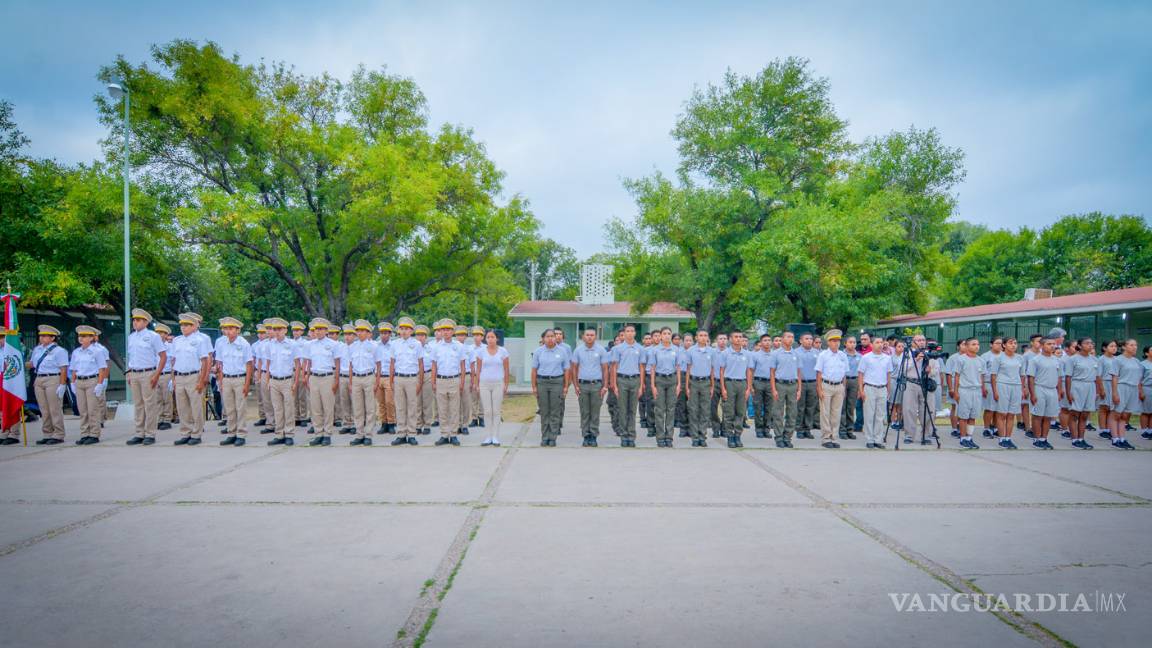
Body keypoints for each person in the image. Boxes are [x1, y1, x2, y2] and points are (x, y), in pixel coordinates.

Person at [123, 309, 168, 446]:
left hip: (148, 372)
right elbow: (131, 357)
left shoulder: (153, 336)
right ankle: (139, 433)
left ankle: (150, 433)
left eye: (138, 320)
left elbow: (163, 356)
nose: (134, 322)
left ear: (146, 322)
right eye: (134, 320)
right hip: (134, 372)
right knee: (138, 405)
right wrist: (129, 373)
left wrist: (156, 374)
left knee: (150, 404)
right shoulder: (131, 337)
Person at [169, 313, 213, 446]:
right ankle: (185, 432)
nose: (184, 327)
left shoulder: (200, 340)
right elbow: (173, 360)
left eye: (187, 325)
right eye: (182, 325)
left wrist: (202, 379)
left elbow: (205, 361)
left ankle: (196, 433)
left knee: (196, 406)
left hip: (194, 376)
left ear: (194, 326)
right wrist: (173, 379)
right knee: (182, 407)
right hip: (179, 375)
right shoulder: (177, 340)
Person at [214, 317, 253, 446]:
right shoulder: (221, 344)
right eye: (226, 329)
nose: (228, 331)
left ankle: (241, 434)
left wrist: (247, 384)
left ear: (238, 330)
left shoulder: (244, 344)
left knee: (240, 408)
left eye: (231, 328)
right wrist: (220, 381)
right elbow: (219, 364)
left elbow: (249, 365)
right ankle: (231, 433)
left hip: (240, 378)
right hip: (226, 378)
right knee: (229, 408)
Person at [28, 325, 69, 445]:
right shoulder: (37, 350)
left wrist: (62, 384)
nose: (41, 338)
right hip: (39, 379)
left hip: (53, 378)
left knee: (54, 408)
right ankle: (47, 433)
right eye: (41, 335)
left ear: (53, 338)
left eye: (45, 336)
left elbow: (63, 369)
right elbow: (32, 364)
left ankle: (58, 434)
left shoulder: (59, 351)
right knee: (44, 409)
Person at [68, 325, 109, 445]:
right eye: (80, 336)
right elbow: (74, 369)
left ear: (91, 338)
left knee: (92, 409)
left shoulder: (97, 351)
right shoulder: (76, 352)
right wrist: (72, 382)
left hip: (92, 380)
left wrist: (100, 383)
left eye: (84, 336)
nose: (81, 338)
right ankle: (84, 433)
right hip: (79, 381)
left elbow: (102, 368)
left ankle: (94, 434)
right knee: (83, 410)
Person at [263, 318, 300, 445]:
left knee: (288, 408)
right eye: (275, 329)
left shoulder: (292, 344)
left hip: (287, 380)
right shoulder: (270, 345)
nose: (277, 332)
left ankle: (289, 433)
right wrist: (267, 380)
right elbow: (268, 364)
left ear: (285, 330)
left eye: (279, 329)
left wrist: (295, 382)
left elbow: (297, 364)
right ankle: (279, 434)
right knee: (277, 408)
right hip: (274, 380)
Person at [570, 328, 609, 447]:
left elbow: (605, 369)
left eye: (592, 335)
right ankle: (586, 435)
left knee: (595, 412)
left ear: (595, 337)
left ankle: (593, 436)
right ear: (583, 337)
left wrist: (605, 386)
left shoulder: (601, 350)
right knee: (585, 412)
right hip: (583, 385)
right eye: (587, 335)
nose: (589, 337)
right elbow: (574, 368)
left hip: (597, 385)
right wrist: (576, 385)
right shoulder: (578, 350)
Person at [430, 319, 466, 446]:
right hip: (440, 380)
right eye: (443, 329)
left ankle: (454, 435)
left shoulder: (459, 347)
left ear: (453, 331)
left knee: (454, 409)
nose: (445, 332)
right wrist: (433, 382)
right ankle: (444, 434)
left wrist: (462, 382)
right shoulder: (436, 347)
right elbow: (433, 366)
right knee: (442, 409)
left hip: (454, 380)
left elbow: (462, 365)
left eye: (448, 330)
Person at [532, 329, 570, 446]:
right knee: (544, 411)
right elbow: (534, 370)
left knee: (555, 411)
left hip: (557, 382)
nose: (550, 338)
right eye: (547, 336)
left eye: (552, 336)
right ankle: (545, 437)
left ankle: (552, 437)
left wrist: (565, 386)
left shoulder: (562, 351)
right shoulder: (538, 351)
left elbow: (566, 369)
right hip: (542, 382)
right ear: (543, 338)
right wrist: (534, 386)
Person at [390, 317, 424, 446]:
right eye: (402, 329)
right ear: (399, 330)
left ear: (411, 331)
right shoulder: (395, 344)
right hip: (398, 378)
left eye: (407, 329)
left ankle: (412, 434)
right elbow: (392, 363)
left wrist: (420, 382)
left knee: (412, 407)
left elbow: (420, 364)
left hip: (411, 378)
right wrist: (391, 380)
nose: (404, 331)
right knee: (400, 407)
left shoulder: (416, 344)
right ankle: (401, 434)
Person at [609, 324, 645, 447]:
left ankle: (631, 436)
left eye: (632, 331)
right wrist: (614, 384)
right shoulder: (618, 348)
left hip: (635, 380)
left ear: (635, 333)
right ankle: (624, 436)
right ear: (624, 334)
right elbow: (614, 367)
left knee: (632, 410)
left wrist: (641, 385)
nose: (630, 333)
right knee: (623, 409)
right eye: (627, 331)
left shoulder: (640, 348)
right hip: (622, 380)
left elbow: (641, 367)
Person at [900, 334, 937, 446]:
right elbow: (903, 370)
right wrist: (915, 360)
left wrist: (930, 371)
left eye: (923, 340)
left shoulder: (930, 353)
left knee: (928, 410)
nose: (921, 342)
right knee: (909, 410)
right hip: (911, 383)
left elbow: (936, 371)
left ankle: (926, 435)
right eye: (918, 340)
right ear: (913, 342)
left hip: (926, 383)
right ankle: (909, 435)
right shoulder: (908, 353)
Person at [346, 320, 379, 447]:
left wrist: (376, 381)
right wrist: (350, 382)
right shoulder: (352, 347)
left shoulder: (373, 346)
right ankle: (359, 434)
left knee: (370, 407)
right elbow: (350, 365)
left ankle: (368, 434)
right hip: (356, 378)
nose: (359, 333)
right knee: (358, 408)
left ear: (368, 333)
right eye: (358, 331)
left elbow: (378, 364)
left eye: (362, 331)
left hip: (369, 377)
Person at [1026, 337, 1062, 449]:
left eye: (1053, 344)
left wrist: (1059, 391)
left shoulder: (1057, 360)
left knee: (1048, 416)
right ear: (1042, 346)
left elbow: (1059, 377)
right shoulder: (1035, 360)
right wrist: (1032, 394)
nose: (1052, 346)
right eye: (1049, 344)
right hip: (1039, 388)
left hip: (1052, 390)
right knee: (1038, 416)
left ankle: (1044, 438)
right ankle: (1037, 439)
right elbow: (1031, 378)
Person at [475, 330, 510, 447]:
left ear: (497, 339)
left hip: (498, 384)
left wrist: (506, 384)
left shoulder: (503, 351)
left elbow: (506, 369)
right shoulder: (481, 352)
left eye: (492, 337)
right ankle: (488, 436)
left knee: (496, 411)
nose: (490, 339)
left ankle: (495, 436)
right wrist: (477, 384)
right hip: (484, 384)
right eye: (488, 337)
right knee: (487, 411)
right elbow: (478, 369)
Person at [815, 329, 848, 449]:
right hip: (826, 385)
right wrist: (819, 389)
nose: (836, 343)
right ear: (828, 342)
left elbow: (844, 373)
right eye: (833, 341)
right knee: (825, 413)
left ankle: (834, 437)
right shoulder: (823, 355)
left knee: (836, 413)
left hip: (839, 386)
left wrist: (843, 388)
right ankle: (826, 438)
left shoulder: (843, 355)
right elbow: (819, 373)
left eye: (838, 341)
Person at [988, 337, 1024, 449]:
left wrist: (1022, 389)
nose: (1013, 345)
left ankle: (1008, 438)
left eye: (1015, 343)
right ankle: (1001, 438)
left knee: (1011, 414)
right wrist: (995, 391)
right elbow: (993, 376)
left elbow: (1022, 375)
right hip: (1002, 385)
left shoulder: (1020, 358)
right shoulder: (998, 358)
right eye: (1010, 343)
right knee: (1002, 413)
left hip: (1016, 387)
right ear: (1004, 345)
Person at [1065, 338, 1101, 449]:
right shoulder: (1073, 359)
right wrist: (1068, 392)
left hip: (1090, 386)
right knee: (1075, 413)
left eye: (1091, 343)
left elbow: (1097, 377)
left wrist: (1098, 391)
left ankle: (1081, 438)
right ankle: (1074, 439)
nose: (1090, 345)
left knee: (1085, 414)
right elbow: (1068, 377)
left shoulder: (1095, 360)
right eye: (1087, 343)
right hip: (1077, 385)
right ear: (1080, 346)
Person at [718, 330, 751, 448]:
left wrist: (748, 388)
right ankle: (730, 436)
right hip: (729, 383)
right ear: (730, 339)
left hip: (742, 384)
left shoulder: (747, 354)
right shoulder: (725, 353)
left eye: (740, 337)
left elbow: (749, 371)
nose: (738, 339)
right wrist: (723, 388)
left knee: (740, 411)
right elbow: (721, 371)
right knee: (729, 412)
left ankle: (738, 435)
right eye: (735, 337)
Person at [684, 330, 716, 447]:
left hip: (706, 382)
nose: (703, 338)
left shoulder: (712, 352)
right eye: (701, 336)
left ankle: (702, 436)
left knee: (705, 410)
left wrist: (712, 386)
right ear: (696, 337)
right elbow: (688, 369)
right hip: (694, 382)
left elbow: (712, 370)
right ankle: (695, 437)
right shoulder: (691, 351)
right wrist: (687, 386)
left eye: (705, 336)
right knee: (693, 410)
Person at [951, 337, 984, 449]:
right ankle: (963, 438)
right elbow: (957, 376)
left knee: (973, 416)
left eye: (978, 344)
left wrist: (983, 389)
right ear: (967, 346)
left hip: (977, 390)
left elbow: (981, 376)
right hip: (964, 390)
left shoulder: (981, 360)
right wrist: (956, 392)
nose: (976, 346)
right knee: (963, 416)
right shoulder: (961, 359)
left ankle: (969, 438)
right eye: (973, 344)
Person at [1107, 339, 1140, 449]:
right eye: (1131, 345)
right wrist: (1115, 393)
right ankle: (1115, 439)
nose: (1134, 347)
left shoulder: (1136, 361)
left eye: (1136, 345)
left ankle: (1122, 438)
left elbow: (1139, 378)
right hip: (1121, 387)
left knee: (1125, 415)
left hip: (1133, 388)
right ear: (1124, 347)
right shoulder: (1118, 360)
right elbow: (1115, 377)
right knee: (1116, 413)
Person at [858, 340, 891, 449]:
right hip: (869, 387)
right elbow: (861, 374)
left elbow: (888, 375)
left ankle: (878, 439)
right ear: (872, 345)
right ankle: (869, 439)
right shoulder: (866, 357)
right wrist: (861, 390)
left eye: (881, 342)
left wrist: (888, 390)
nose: (880, 344)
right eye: (877, 342)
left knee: (880, 416)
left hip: (882, 388)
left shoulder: (887, 358)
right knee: (869, 414)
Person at [770, 331, 801, 448]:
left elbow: (798, 372)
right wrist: (773, 389)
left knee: (792, 412)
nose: (791, 339)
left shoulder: (796, 354)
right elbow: (772, 372)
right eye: (788, 337)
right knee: (778, 412)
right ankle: (778, 437)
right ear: (782, 339)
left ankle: (787, 437)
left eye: (792, 337)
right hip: (780, 384)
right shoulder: (776, 354)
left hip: (793, 385)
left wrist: (799, 389)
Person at [749, 334, 774, 439]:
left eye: (769, 340)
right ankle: (759, 429)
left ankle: (766, 429)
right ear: (761, 342)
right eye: (765, 340)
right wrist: (750, 386)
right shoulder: (755, 355)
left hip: (770, 383)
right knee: (758, 407)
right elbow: (751, 371)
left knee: (769, 407)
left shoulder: (775, 355)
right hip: (758, 382)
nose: (767, 342)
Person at [375, 322, 397, 435]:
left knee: (389, 402)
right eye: (382, 333)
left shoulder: (394, 346)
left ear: (390, 334)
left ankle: (391, 423)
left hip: (389, 377)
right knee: (381, 402)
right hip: (378, 376)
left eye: (386, 333)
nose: (384, 335)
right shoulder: (375, 345)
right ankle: (383, 423)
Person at [980, 337, 1004, 439]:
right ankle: (986, 428)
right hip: (988, 383)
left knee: (998, 409)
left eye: (1001, 343)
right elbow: (981, 373)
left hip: (1001, 384)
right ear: (991, 344)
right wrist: (983, 387)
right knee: (989, 408)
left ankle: (994, 428)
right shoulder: (985, 356)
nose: (999, 345)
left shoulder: (1004, 356)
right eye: (997, 343)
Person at [453, 325, 475, 436]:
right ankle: (456, 425)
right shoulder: (452, 347)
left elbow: (472, 365)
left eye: (462, 335)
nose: (460, 337)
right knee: (455, 403)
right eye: (458, 335)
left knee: (466, 402)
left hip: (466, 376)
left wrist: (472, 380)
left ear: (466, 336)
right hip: (454, 376)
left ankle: (465, 425)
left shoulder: (469, 348)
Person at [796, 333, 819, 438]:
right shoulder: (796, 353)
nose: (809, 340)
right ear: (801, 341)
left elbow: (819, 370)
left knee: (810, 407)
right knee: (800, 407)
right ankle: (799, 429)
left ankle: (807, 429)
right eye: (806, 339)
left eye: (811, 339)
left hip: (813, 383)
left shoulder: (817, 353)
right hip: (800, 383)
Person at [1095, 339, 1118, 439]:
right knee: (1103, 408)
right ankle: (1102, 429)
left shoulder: (1117, 359)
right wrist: (1101, 389)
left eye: (1115, 346)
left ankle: (1109, 429)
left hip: (1113, 384)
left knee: (1111, 408)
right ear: (1105, 348)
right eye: (1111, 346)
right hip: (1105, 383)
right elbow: (1098, 376)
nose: (1114, 348)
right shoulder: (1101, 359)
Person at [415, 324, 436, 435]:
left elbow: (433, 364)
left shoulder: (431, 348)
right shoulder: (412, 348)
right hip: (416, 375)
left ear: (426, 337)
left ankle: (427, 424)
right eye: (418, 335)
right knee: (417, 401)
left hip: (427, 375)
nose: (420, 337)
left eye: (422, 335)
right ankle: (418, 425)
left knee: (427, 401)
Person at [155, 323, 176, 430]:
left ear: (166, 335)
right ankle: (159, 418)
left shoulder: (170, 346)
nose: (159, 335)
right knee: (157, 399)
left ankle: (167, 419)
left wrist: (173, 379)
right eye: (157, 332)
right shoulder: (153, 346)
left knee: (167, 398)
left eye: (161, 333)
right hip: (155, 374)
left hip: (166, 374)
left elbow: (173, 363)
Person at [839, 335, 860, 440]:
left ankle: (849, 429)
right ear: (845, 343)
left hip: (854, 381)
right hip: (843, 380)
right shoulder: (841, 355)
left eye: (854, 342)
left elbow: (861, 373)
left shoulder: (859, 356)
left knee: (851, 407)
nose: (852, 344)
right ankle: (842, 430)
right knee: (842, 406)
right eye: (850, 342)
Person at [290, 321, 310, 426]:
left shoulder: (305, 343)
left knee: (302, 395)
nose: (295, 332)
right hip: (292, 370)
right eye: (293, 330)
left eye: (297, 330)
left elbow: (306, 358)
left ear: (302, 331)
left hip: (302, 370)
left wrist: (305, 371)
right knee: (294, 394)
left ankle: (303, 416)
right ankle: (296, 416)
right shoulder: (289, 342)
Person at [336, 323, 355, 432]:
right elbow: (338, 363)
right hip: (343, 377)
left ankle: (354, 423)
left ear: (355, 335)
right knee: (344, 400)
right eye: (345, 334)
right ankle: (347, 423)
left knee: (354, 401)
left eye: (350, 334)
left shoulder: (357, 347)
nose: (347, 337)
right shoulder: (340, 347)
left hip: (353, 376)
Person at [711, 332, 729, 437]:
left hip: (727, 382)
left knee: (727, 407)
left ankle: (725, 428)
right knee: (713, 407)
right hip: (715, 381)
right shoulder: (712, 353)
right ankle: (715, 428)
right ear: (717, 341)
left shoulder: (730, 353)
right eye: (720, 338)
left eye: (724, 338)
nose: (722, 340)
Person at [469, 325, 486, 427]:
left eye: (478, 335)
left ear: (482, 337)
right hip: (473, 375)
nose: (476, 337)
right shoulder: (469, 348)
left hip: (483, 375)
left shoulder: (486, 348)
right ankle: (474, 418)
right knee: (473, 397)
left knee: (482, 397)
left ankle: (482, 417)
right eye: (474, 335)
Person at [1140, 346, 1152, 440]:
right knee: (1145, 411)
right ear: (1146, 353)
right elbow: (1138, 380)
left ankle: (1150, 430)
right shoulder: (1142, 364)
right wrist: (1141, 392)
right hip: (1146, 388)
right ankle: (1144, 431)